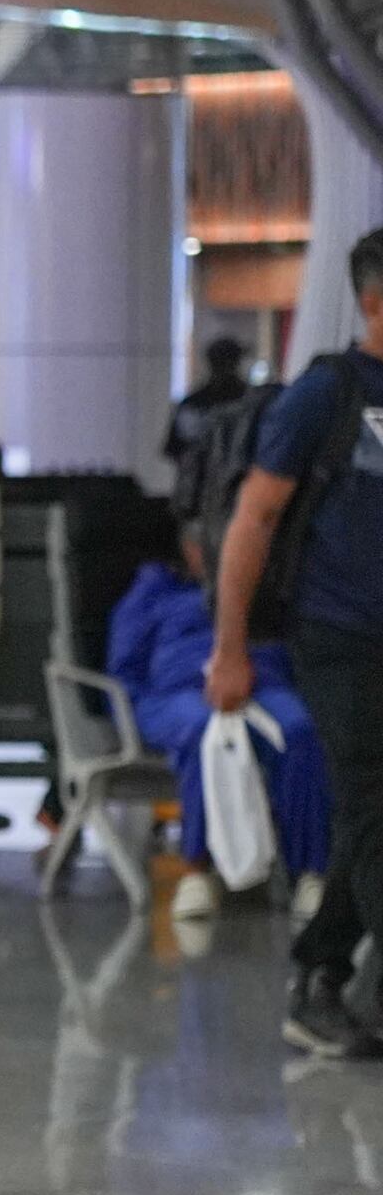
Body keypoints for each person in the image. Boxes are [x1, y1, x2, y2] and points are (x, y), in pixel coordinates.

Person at [211, 225, 383, 1058]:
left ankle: (319, 975)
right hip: (341, 638)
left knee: (369, 819)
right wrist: (229, 648)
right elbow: (255, 517)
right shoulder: (327, 394)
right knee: (375, 807)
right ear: (376, 302)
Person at [109, 554, 329, 921]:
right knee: (208, 733)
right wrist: (133, 716)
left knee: (300, 732)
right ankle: (197, 869)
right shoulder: (152, 592)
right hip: (177, 694)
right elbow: (125, 669)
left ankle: (311, 872)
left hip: (263, 685)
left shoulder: (268, 583)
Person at [164, 332, 256, 485]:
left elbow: (174, 450)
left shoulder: (191, 403)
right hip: (236, 490)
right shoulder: (250, 400)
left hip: (198, 491)